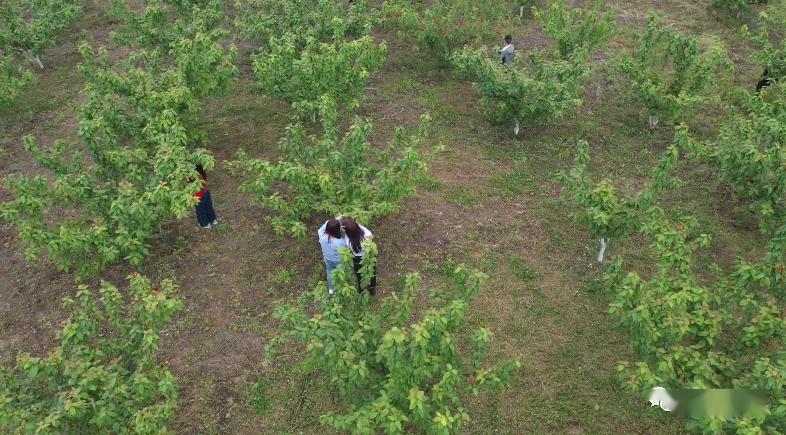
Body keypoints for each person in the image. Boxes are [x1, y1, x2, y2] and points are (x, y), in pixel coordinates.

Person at [342, 219, 377, 295]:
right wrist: (359, 225)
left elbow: (347, 233)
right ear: (358, 228)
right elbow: (367, 232)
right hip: (368, 257)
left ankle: (362, 289)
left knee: (359, 275)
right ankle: (372, 287)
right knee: (371, 271)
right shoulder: (367, 235)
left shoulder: (348, 241)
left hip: (357, 259)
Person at [318, 218, 345, 295]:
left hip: (327, 258)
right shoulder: (340, 242)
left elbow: (320, 229)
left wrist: (332, 220)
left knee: (329, 273)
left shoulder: (321, 235)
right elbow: (345, 250)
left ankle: (331, 288)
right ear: (337, 230)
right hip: (339, 260)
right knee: (340, 273)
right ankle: (341, 288)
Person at [194, 164, 218, 229]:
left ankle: (205, 224)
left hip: (199, 195)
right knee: (208, 206)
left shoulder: (194, 175)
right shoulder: (202, 171)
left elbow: (189, 182)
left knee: (200, 209)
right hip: (206, 191)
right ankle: (213, 220)